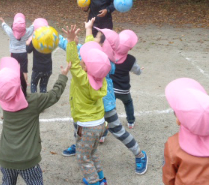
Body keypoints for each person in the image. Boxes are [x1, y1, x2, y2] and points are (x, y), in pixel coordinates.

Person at [61, 19, 148, 176]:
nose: (94, 37)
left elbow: (82, 53)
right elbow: (90, 45)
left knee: (118, 131)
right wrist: (88, 29)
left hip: (104, 104)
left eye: (97, 36)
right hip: (85, 104)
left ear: (103, 46)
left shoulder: (102, 61)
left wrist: (67, 41)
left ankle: (140, 155)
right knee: (78, 123)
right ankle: (80, 145)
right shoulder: (100, 55)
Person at [0, 56, 70, 185]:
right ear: (22, 84)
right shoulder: (34, 100)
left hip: (6, 157)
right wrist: (63, 76)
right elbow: (54, 95)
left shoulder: (4, 100)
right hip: (28, 159)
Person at [63, 24, 110, 185]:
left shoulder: (82, 79)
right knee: (93, 153)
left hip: (87, 126)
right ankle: (101, 179)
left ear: (86, 68)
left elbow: (73, 63)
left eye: (85, 61)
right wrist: (86, 36)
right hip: (99, 124)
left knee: (83, 157)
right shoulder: (101, 79)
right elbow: (95, 58)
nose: (82, 60)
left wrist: (70, 43)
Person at [111, 29, 142, 129]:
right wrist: (139, 71)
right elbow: (137, 70)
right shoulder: (131, 60)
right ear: (130, 48)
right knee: (128, 102)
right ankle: (131, 122)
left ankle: (105, 130)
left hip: (110, 89)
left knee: (109, 108)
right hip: (123, 89)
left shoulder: (109, 54)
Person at [0, 14, 34, 83]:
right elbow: (32, 28)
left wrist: (3, 22)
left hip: (14, 53)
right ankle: (24, 86)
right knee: (24, 71)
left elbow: (5, 27)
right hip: (23, 53)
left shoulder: (10, 32)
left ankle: (15, 83)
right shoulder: (27, 32)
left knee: (14, 69)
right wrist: (33, 23)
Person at [26, 18, 52, 93]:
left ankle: (35, 100)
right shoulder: (50, 40)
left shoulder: (35, 40)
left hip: (37, 69)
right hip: (48, 69)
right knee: (43, 86)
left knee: (33, 83)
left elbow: (28, 50)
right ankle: (43, 102)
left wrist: (27, 43)